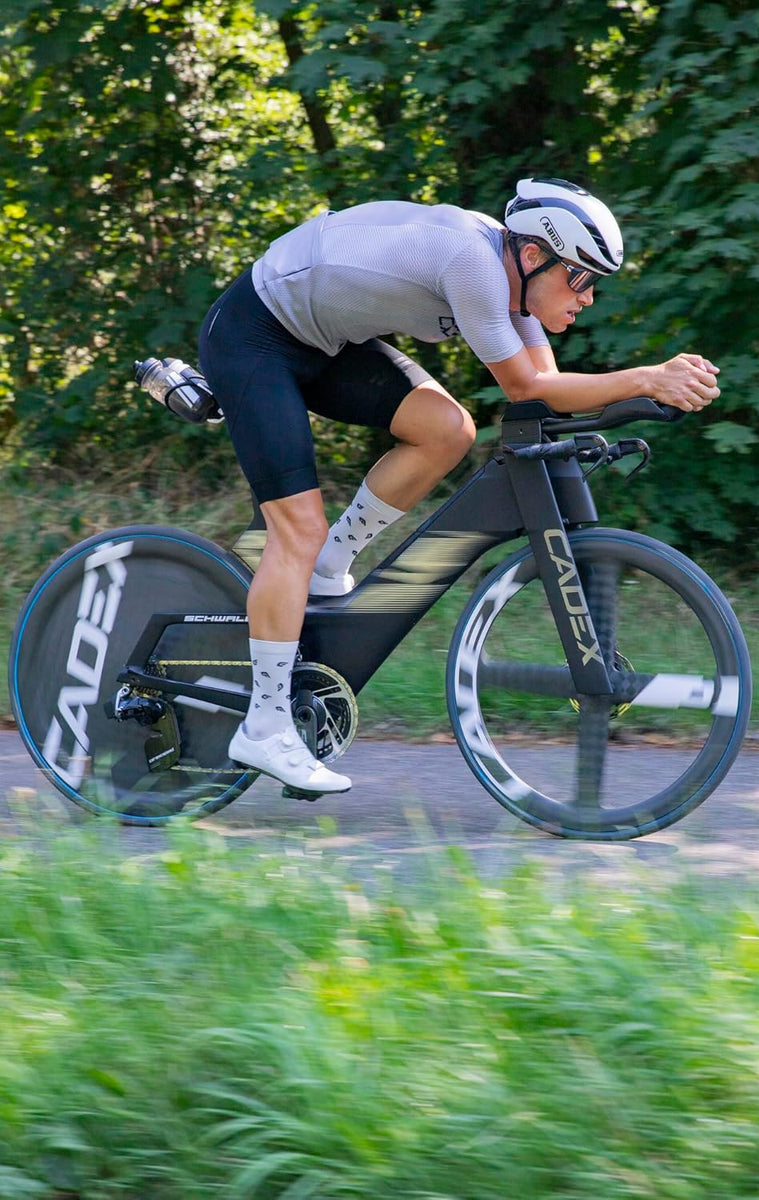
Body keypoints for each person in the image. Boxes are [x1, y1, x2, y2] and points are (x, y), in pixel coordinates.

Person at [198, 177, 720, 795]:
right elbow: (527, 389)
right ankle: (264, 725)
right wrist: (646, 377)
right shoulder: (473, 263)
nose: (587, 298)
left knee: (448, 431)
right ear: (532, 256)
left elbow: (548, 381)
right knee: (297, 530)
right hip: (255, 336)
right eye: (579, 279)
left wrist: (642, 390)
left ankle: (330, 562)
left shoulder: (514, 284)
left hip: (322, 342)